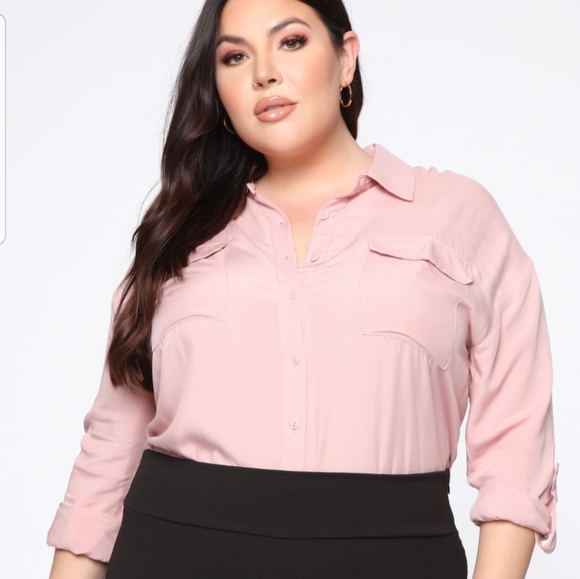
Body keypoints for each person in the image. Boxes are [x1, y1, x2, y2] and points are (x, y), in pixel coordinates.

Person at [46, 0, 558, 577]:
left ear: (346, 59)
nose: (264, 73)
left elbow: (516, 448)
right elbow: (106, 462)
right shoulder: (178, 233)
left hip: (393, 556)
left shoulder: (457, 217)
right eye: (235, 57)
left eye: (290, 42)